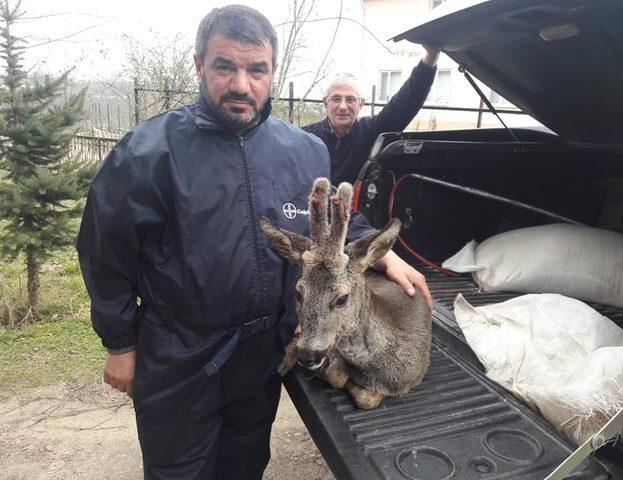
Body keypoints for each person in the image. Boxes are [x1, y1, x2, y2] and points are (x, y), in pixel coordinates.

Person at [77, 5, 431, 480]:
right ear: (199, 64)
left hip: (262, 349)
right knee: (177, 471)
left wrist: (379, 254)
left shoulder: (303, 150)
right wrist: (120, 343)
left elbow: (331, 224)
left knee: (244, 465)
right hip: (180, 353)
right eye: (225, 66)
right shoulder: (148, 153)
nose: (241, 84)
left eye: (256, 69)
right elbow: (105, 251)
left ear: (272, 72)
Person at [303, 47, 439, 184]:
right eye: (336, 99)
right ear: (326, 103)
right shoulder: (305, 137)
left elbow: (405, 102)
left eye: (350, 100)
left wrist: (431, 56)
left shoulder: (372, 130)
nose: (343, 106)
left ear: (360, 104)